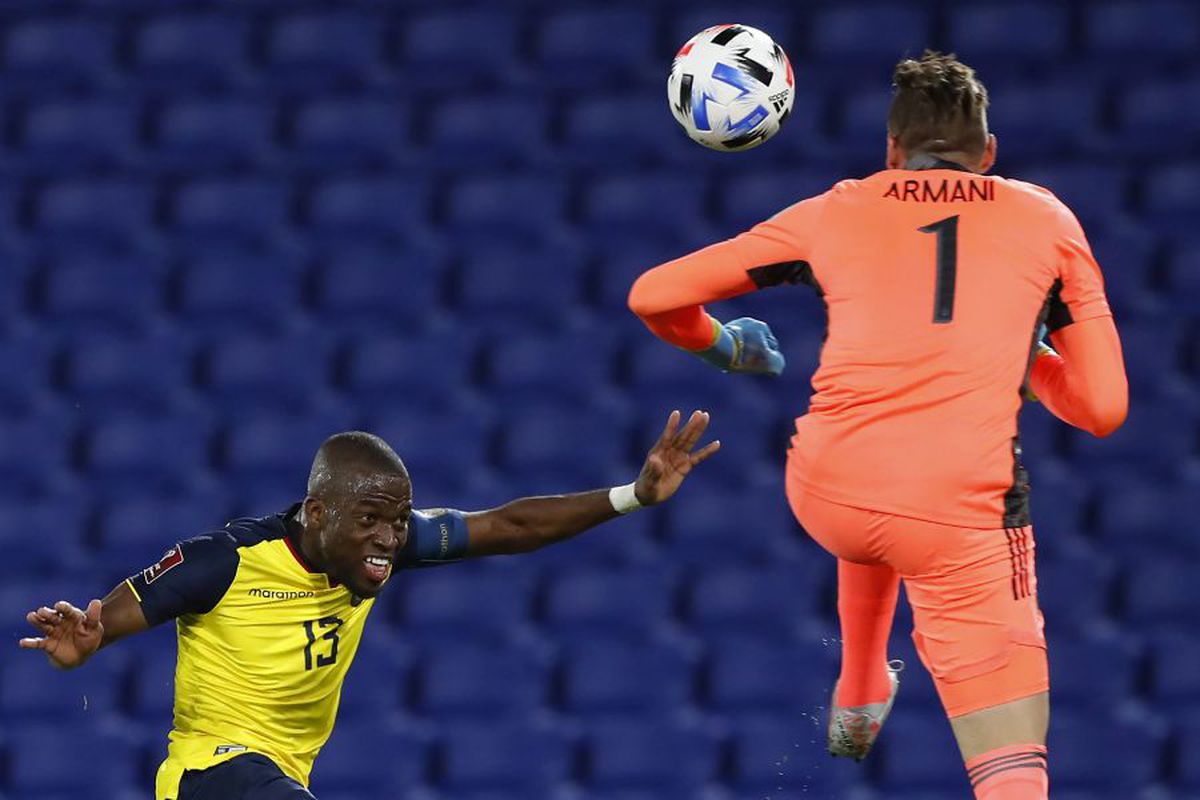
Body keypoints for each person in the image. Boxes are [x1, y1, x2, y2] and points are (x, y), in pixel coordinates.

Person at [628, 50, 1128, 800]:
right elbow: (1102, 409)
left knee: (881, 463)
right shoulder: (1047, 219)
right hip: (954, 519)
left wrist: (727, 348)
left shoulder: (836, 208)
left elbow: (652, 296)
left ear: (890, 151)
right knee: (1014, 771)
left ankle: (860, 687)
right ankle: (881, 694)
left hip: (824, 492)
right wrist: (1028, 361)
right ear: (988, 156)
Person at [19, 410, 719, 800]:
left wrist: (633, 495)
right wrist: (90, 641)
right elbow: (114, 614)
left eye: (399, 522)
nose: (389, 540)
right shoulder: (224, 560)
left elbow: (509, 526)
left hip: (287, 774)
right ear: (318, 513)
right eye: (371, 522)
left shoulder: (381, 548)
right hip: (210, 772)